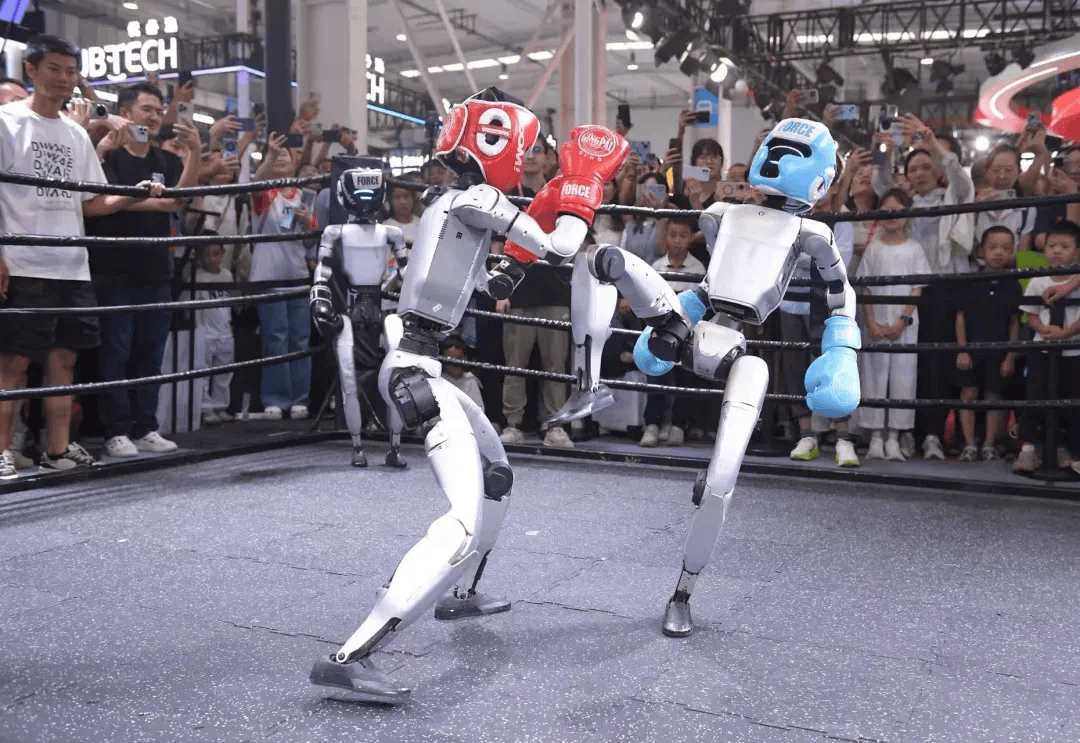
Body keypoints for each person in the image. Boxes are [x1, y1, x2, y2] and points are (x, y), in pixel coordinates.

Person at [308, 87, 625, 703]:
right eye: (522, 150)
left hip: (421, 362)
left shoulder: (448, 202)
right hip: (415, 371)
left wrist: (538, 223)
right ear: (498, 143)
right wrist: (582, 186)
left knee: (496, 473)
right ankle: (350, 656)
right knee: (460, 522)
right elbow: (561, 247)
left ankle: (462, 595)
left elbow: (486, 282)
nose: (525, 159)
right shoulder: (480, 199)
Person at [0, 36, 166, 481]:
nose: (64, 78)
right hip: (22, 259)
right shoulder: (5, 121)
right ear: (32, 69)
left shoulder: (75, 133)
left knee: (64, 361)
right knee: (12, 363)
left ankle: (57, 448)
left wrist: (131, 196)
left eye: (71, 71)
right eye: (54, 68)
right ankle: (0, 450)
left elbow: (90, 203)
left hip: (71, 265)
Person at [86, 81, 202, 459]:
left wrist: (196, 153)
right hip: (113, 269)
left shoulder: (165, 160)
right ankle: (116, 431)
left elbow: (177, 201)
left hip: (156, 270)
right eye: (146, 109)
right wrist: (141, 200)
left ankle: (146, 426)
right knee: (116, 354)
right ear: (126, 112)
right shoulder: (108, 154)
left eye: (157, 110)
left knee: (151, 354)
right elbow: (97, 202)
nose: (153, 117)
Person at [873, 115, 974, 461]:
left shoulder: (953, 196)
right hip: (907, 293)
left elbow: (962, 179)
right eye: (913, 168)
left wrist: (931, 142)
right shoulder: (906, 206)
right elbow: (882, 186)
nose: (919, 173)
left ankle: (932, 434)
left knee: (936, 364)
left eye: (926, 166)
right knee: (907, 363)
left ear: (938, 170)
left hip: (942, 291)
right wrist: (882, 150)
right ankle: (905, 434)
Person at [857, 188, 932, 460]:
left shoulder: (915, 249)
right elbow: (865, 288)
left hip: (905, 325)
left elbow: (916, 288)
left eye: (897, 211)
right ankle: (876, 437)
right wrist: (871, 322)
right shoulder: (873, 248)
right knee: (873, 377)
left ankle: (894, 437)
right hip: (875, 323)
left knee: (903, 378)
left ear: (907, 214)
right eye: (886, 211)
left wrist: (903, 320)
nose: (891, 217)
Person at [250, 133, 314, 420]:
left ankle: (300, 398)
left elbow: (311, 241)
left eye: (286, 154)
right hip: (269, 275)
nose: (281, 157)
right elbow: (255, 182)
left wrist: (306, 221)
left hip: (298, 274)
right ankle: (275, 398)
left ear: (295, 161)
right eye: (277, 155)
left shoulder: (306, 195)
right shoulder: (266, 193)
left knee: (299, 339)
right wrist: (271, 155)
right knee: (275, 338)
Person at [1015, 220, 1080, 472]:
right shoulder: (1038, 280)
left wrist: (1066, 333)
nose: (1057, 251)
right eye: (1052, 245)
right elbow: (1030, 313)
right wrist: (1043, 330)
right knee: (1035, 396)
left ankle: (1065, 448)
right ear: (1044, 250)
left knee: (1070, 399)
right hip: (1041, 349)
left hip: (1073, 350)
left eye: (1064, 246)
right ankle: (1028, 449)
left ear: (1076, 252)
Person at [954, 226, 1022, 462]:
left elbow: (1015, 323)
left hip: (999, 351)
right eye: (993, 247)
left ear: (1012, 252)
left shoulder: (1013, 284)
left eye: (1005, 248)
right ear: (981, 251)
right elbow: (960, 317)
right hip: (972, 349)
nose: (999, 252)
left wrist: (1010, 356)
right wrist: (962, 350)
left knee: (995, 396)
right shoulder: (971, 281)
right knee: (968, 393)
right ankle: (969, 443)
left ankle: (990, 443)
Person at [639, 218, 706, 447]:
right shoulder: (657, 266)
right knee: (655, 374)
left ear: (691, 238)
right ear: (666, 237)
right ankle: (652, 424)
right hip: (659, 330)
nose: (677, 240)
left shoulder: (698, 269)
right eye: (673, 235)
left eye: (683, 236)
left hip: (687, 333)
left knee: (685, 377)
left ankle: (678, 424)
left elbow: (697, 305)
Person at [188, 242, 235, 425]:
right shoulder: (197, 277)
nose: (211, 259)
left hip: (225, 330)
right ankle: (205, 408)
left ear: (223, 253)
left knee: (224, 373)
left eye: (215, 254)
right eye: (206, 255)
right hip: (206, 331)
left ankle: (220, 406)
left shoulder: (227, 275)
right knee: (204, 373)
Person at [440, 336, 484, 409]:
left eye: (458, 359)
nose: (455, 365)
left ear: (465, 358)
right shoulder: (438, 381)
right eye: (450, 360)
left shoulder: (470, 380)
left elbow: (479, 411)